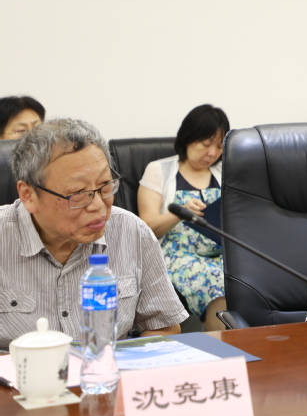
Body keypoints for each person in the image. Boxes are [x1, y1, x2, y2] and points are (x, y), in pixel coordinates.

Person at [0, 119, 187, 349]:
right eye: (78, 193)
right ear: (28, 195)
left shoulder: (132, 232)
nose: (98, 205)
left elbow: (164, 326)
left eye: (105, 185)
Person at [138, 104, 229, 331]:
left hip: (222, 254)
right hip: (177, 254)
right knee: (216, 282)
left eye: (219, 147)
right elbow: (146, 227)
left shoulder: (226, 173)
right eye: (206, 144)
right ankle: (219, 350)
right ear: (188, 138)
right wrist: (179, 213)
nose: (212, 153)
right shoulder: (159, 170)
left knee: (247, 280)